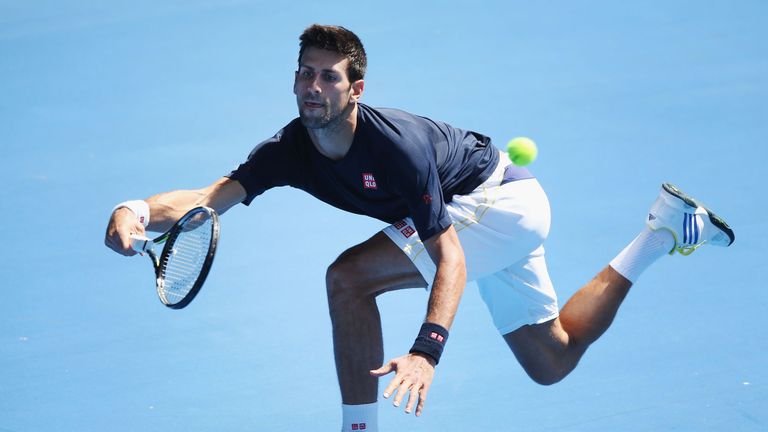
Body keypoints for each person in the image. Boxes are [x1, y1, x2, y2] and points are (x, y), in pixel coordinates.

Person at [104, 24, 735, 431]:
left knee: (348, 278)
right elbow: (211, 196)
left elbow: (450, 257)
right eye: (304, 73)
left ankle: (359, 430)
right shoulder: (287, 150)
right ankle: (663, 230)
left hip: (498, 205)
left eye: (329, 75)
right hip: (495, 214)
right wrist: (135, 209)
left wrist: (427, 351)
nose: (312, 86)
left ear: (356, 88)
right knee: (551, 360)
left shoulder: (397, 150)